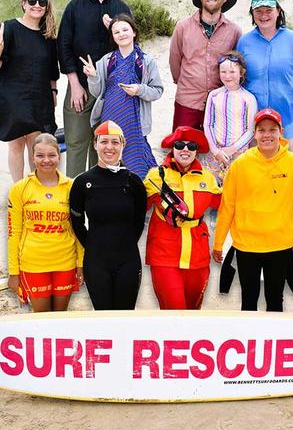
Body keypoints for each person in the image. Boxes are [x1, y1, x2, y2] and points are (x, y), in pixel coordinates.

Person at [212, 109, 293, 312]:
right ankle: (250, 342)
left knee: (275, 301)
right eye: (261, 130)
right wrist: (218, 242)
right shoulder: (240, 165)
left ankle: (273, 342)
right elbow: (228, 206)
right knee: (249, 300)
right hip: (246, 246)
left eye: (273, 129)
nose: (267, 135)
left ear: (281, 132)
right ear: (255, 134)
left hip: (279, 246)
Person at [58, 0, 131, 177]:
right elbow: (64, 46)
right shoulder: (74, 7)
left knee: (103, 143)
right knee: (77, 142)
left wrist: (114, 30)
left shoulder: (121, 8)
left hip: (111, 89)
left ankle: (98, 199)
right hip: (79, 85)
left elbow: (131, 47)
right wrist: (75, 84)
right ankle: (72, 201)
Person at [69, 121, 147, 310]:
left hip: (127, 259)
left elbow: (138, 223)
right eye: (104, 142)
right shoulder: (82, 182)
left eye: (115, 142)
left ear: (123, 145)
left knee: (125, 317)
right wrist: (94, 245)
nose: (109, 147)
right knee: (102, 318)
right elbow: (77, 223)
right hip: (96, 261)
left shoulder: (133, 182)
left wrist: (123, 242)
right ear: (95, 144)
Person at [144, 127, 221, 310]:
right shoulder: (156, 176)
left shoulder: (208, 178)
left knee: (193, 312)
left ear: (197, 150)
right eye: (180, 145)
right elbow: (134, 207)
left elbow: (226, 204)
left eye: (191, 146)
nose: (185, 149)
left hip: (198, 256)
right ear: (172, 148)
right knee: (174, 311)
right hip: (164, 255)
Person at [7, 133, 83, 312]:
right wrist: (13, 272)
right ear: (32, 157)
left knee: (59, 319)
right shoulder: (19, 189)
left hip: (65, 262)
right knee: (41, 320)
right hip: (33, 264)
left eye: (51, 155)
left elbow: (79, 228)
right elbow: (13, 232)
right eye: (40, 155)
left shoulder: (72, 187)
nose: (46, 160)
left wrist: (81, 263)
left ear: (59, 155)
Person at [83, 13, 163, 179]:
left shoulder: (146, 61)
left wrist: (139, 90)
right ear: (112, 37)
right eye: (116, 32)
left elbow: (157, 90)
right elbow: (98, 92)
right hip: (110, 116)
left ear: (134, 32)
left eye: (125, 29)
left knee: (137, 162)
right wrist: (92, 76)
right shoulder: (106, 61)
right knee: (110, 157)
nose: (122, 34)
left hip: (135, 120)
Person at [237, 0, 293, 148]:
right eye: (258, 11)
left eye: (268, 10)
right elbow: (240, 78)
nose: (263, 15)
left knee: (290, 168)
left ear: (278, 11)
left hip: (292, 121)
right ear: (252, 13)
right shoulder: (244, 42)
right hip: (255, 120)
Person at [0, 0, 59, 182]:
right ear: (23, 4)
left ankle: (35, 189)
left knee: (37, 145)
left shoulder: (48, 34)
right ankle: (19, 190)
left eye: (41, 2)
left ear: (46, 6)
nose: (37, 5)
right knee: (16, 144)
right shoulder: (8, 28)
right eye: (32, 1)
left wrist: (53, 91)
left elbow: (52, 68)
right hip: (12, 96)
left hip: (40, 96)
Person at [169, 0, 240, 131]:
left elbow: (238, 64)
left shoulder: (234, 31)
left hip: (220, 103)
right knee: (182, 147)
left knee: (215, 151)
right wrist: (185, 83)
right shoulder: (183, 27)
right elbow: (175, 60)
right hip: (187, 101)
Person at [202, 50, 257, 185]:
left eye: (232, 72)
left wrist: (231, 149)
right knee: (212, 185)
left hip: (238, 152)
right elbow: (208, 124)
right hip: (216, 151)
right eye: (223, 72)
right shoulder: (214, 95)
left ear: (241, 73)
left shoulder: (248, 98)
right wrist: (215, 150)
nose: (228, 76)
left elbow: (251, 130)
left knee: (235, 186)